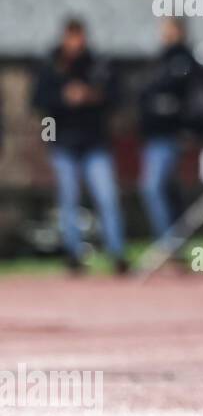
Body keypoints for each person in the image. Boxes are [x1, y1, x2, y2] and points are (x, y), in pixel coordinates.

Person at [32, 17, 129, 275]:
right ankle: (73, 256)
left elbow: (117, 97)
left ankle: (117, 254)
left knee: (107, 198)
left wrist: (90, 95)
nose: (76, 43)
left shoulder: (98, 65)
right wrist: (62, 103)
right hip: (63, 145)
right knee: (68, 201)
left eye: (80, 37)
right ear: (64, 37)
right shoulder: (50, 66)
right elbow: (39, 104)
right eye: (71, 37)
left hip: (95, 144)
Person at [137, 15, 203, 247]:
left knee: (154, 187)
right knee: (164, 189)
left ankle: (170, 245)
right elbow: (145, 95)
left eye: (169, 29)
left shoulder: (186, 61)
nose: (165, 34)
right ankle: (173, 243)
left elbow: (192, 98)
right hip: (153, 136)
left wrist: (188, 128)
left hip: (172, 136)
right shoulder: (159, 60)